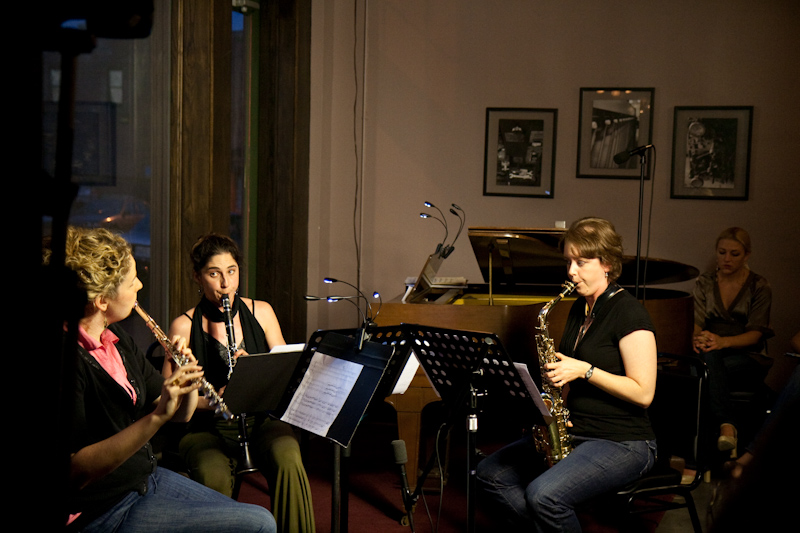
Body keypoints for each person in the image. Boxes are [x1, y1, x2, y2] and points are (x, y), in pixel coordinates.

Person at [47, 226, 275, 532]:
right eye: (131, 282)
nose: (140, 284)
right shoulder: (65, 360)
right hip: (104, 508)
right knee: (259, 524)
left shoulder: (116, 340)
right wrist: (156, 418)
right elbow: (75, 470)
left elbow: (181, 414)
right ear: (102, 300)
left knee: (258, 518)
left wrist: (189, 381)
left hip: (144, 477)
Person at [476, 217, 658, 533]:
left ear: (608, 264)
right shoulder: (579, 308)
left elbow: (644, 393)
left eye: (581, 262)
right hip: (578, 430)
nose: (571, 271)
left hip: (624, 441)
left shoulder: (629, 312)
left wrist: (585, 370)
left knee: (544, 496)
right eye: (568, 261)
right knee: (489, 473)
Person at [167, 233, 315, 533]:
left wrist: (256, 374)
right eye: (214, 274)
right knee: (212, 474)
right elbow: (171, 398)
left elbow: (285, 372)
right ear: (198, 276)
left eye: (232, 272)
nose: (226, 284)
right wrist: (217, 399)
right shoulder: (183, 325)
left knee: (288, 455)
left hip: (261, 419)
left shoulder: (262, 311)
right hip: (207, 426)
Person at [692, 227, 773, 453]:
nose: (726, 259)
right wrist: (697, 338)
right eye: (722, 252)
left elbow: (756, 335)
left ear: (746, 255)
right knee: (706, 362)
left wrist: (722, 341)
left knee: (703, 372)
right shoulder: (705, 282)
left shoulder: (759, 286)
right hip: (711, 349)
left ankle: (700, 453)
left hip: (747, 355)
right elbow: (697, 322)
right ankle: (727, 429)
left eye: (734, 254)